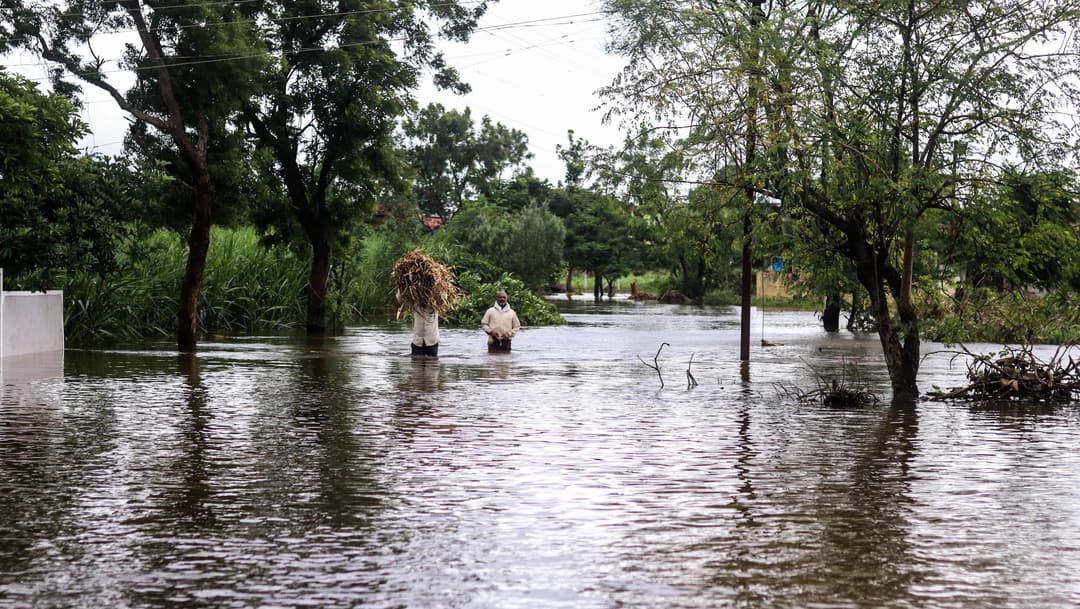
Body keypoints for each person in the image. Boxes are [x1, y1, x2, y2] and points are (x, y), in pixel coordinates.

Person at [398, 289, 439, 357]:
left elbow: (443, 297)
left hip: (432, 341)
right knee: (416, 362)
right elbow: (401, 300)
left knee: (432, 362)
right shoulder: (415, 301)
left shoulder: (435, 303)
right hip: (417, 341)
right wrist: (401, 287)